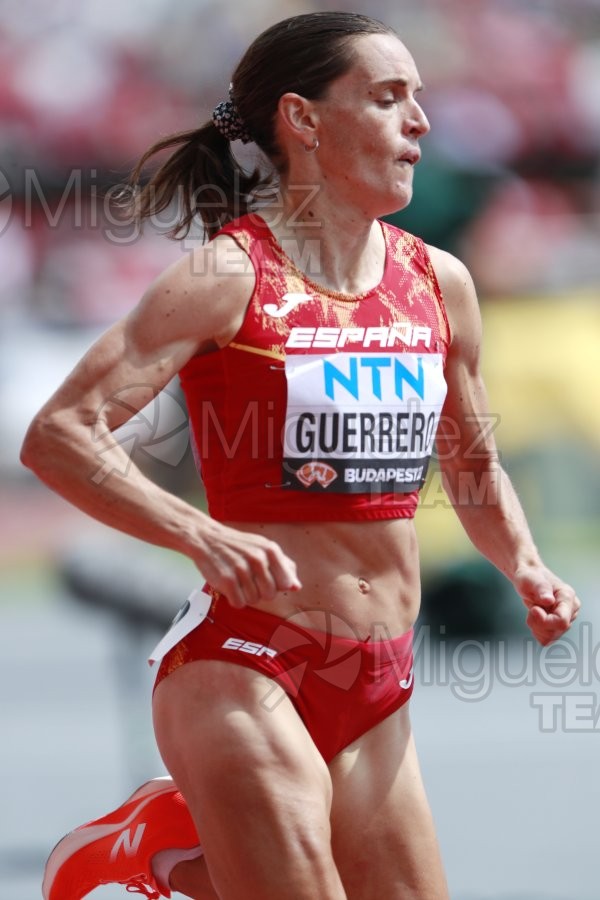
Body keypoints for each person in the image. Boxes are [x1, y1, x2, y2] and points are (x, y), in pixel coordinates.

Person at [22, 11, 581, 900]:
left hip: (377, 675)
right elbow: (58, 435)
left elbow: (471, 463)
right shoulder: (227, 277)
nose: (421, 123)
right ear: (304, 120)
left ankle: (168, 863)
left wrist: (525, 563)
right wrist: (198, 535)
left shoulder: (441, 282)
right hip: (242, 660)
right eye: (388, 97)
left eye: (419, 99)